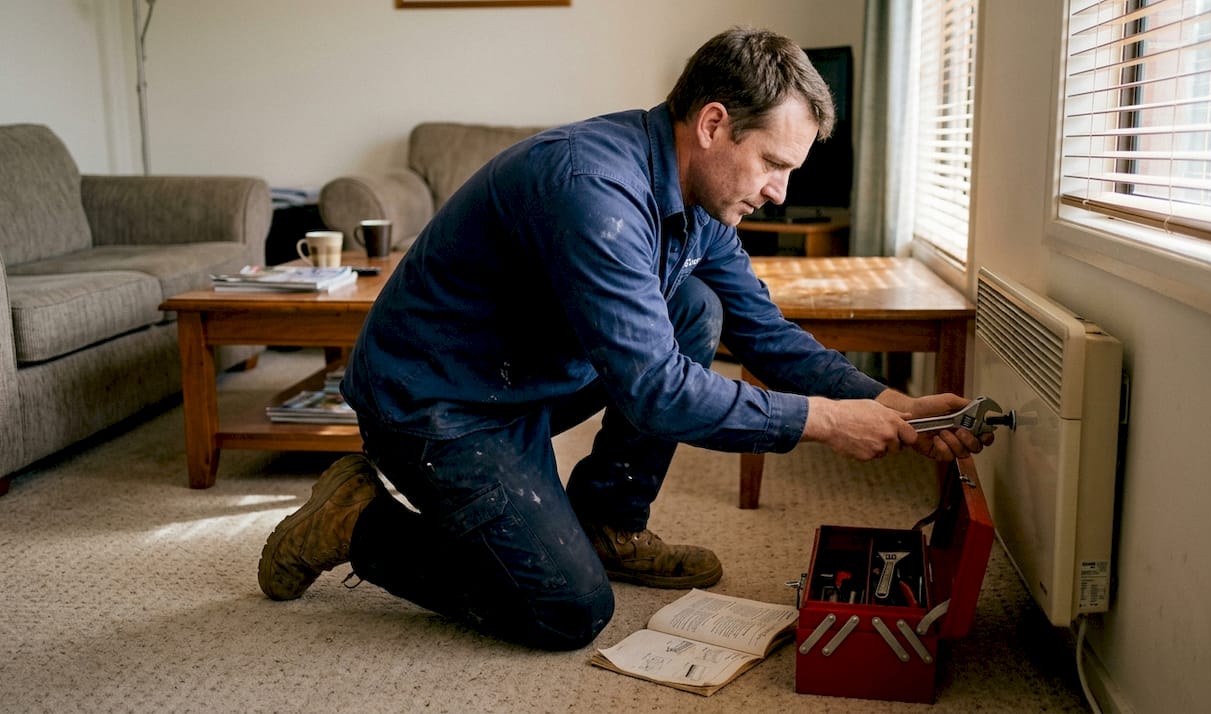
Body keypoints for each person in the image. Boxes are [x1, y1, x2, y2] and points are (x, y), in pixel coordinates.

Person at [257, 27, 991, 651]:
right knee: (567, 609)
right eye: (773, 163)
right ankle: (354, 520)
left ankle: (608, 520)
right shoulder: (592, 190)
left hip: (523, 378)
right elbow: (655, 391)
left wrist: (895, 404)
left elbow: (763, 334)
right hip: (436, 404)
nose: (779, 193)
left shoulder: (705, 202)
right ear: (712, 125)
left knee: (697, 307)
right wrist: (827, 422)